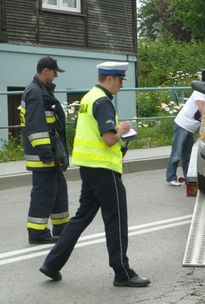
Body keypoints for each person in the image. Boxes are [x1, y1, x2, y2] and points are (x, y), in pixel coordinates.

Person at [39, 61, 151, 287]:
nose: (121, 85)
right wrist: (123, 130)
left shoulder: (88, 97)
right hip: (104, 169)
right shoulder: (102, 101)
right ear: (109, 79)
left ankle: (52, 264)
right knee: (116, 219)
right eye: (120, 80)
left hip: (89, 167)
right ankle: (123, 273)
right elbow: (108, 139)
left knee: (81, 218)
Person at [21, 56, 70, 244]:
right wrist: (46, 152)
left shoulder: (42, 90)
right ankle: (37, 232)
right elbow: (35, 126)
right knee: (44, 193)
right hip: (42, 156)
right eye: (54, 72)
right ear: (45, 71)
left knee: (58, 190)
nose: (56, 75)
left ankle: (62, 227)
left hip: (49, 153)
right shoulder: (35, 92)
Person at [165, 90, 205, 186]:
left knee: (187, 155)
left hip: (191, 128)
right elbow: (202, 109)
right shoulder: (200, 92)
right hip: (182, 125)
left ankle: (188, 179)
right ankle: (170, 177)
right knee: (177, 152)